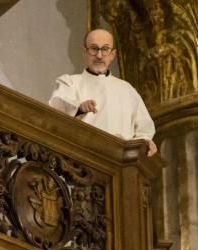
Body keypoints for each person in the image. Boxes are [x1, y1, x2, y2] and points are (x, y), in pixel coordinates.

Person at [48, 28, 157, 156]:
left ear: (112, 55)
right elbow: (56, 107)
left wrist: (146, 142)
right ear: (85, 52)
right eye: (94, 48)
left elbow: (144, 129)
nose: (99, 55)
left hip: (120, 161)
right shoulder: (69, 82)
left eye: (105, 49)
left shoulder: (127, 90)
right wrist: (79, 108)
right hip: (82, 155)